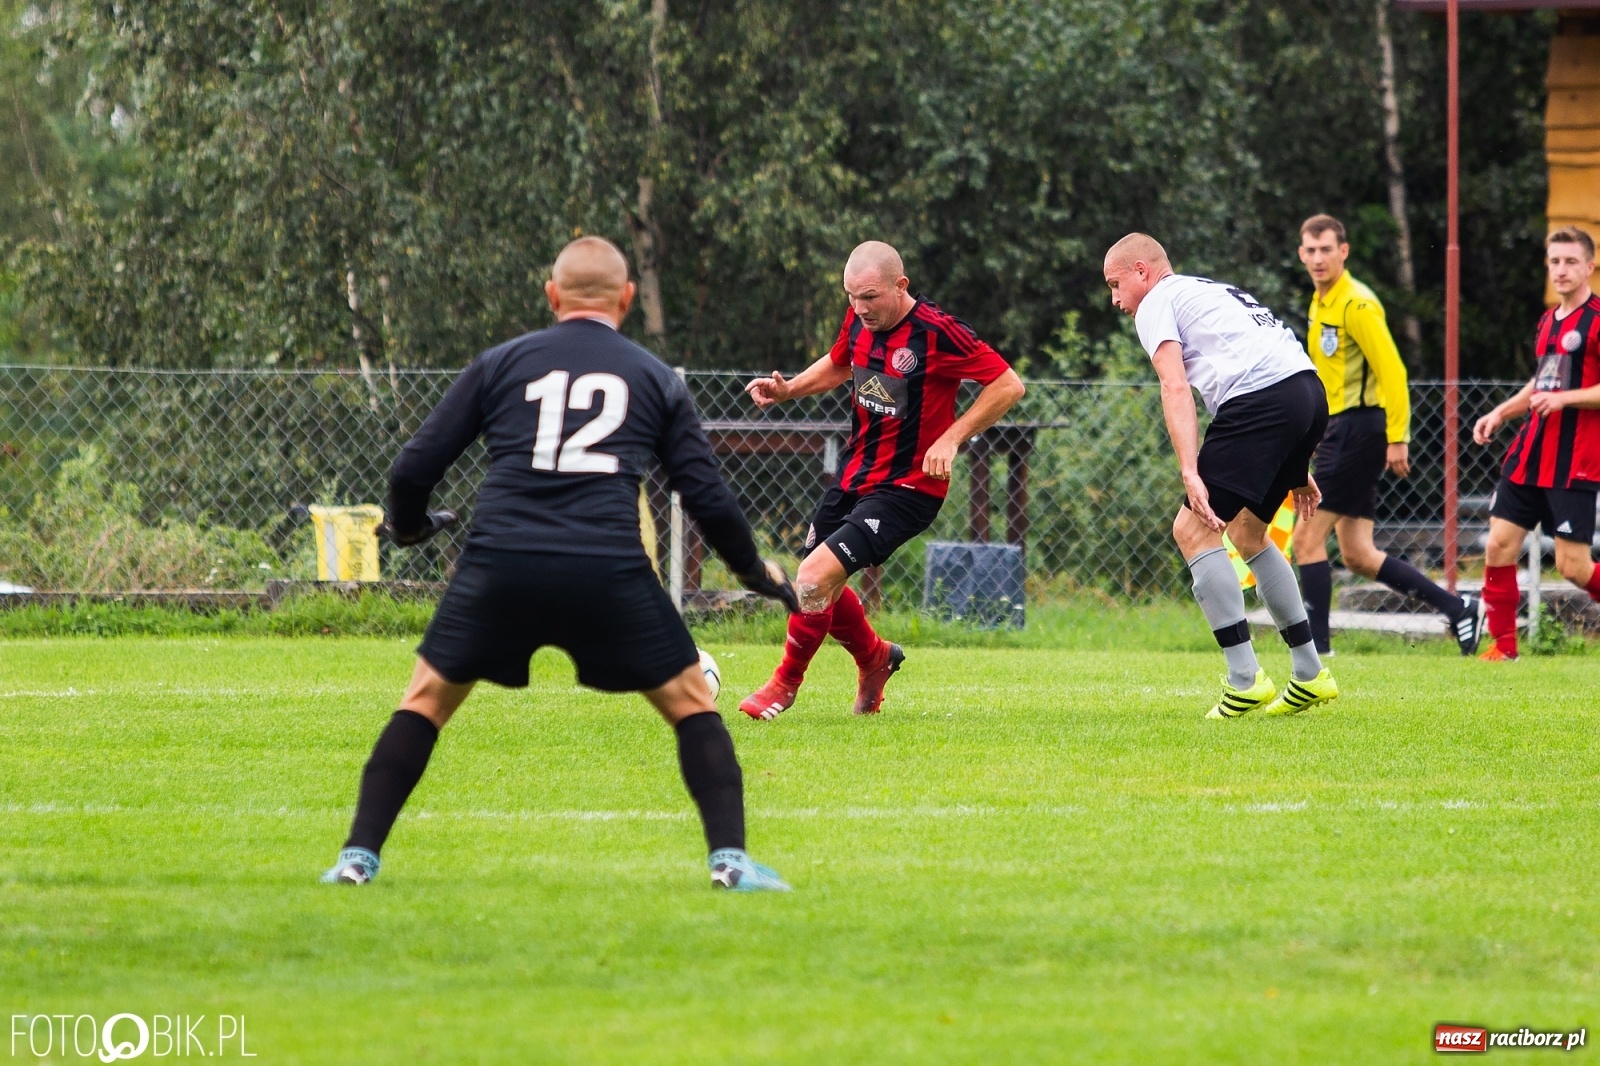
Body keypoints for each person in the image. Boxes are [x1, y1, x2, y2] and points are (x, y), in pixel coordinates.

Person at [320, 236, 800, 891]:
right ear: (627, 299)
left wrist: (408, 529)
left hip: (500, 560)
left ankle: (356, 860)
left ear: (552, 295)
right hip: (606, 566)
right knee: (692, 704)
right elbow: (706, 496)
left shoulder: (501, 363)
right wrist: (755, 574)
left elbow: (413, 467)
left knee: (426, 701)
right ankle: (731, 864)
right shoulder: (654, 377)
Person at [738, 241, 1025, 720]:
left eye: (869, 297)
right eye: (851, 297)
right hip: (855, 475)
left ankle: (782, 687)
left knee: (810, 579)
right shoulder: (859, 321)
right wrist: (789, 389)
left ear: (901, 285)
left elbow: (1008, 384)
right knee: (815, 585)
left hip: (908, 489)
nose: (859, 308)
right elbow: (838, 363)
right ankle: (874, 659)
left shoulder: (937, 332)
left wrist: (951, 438)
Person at [1103, 233, 1338, 718]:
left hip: (1262, 399)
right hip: (1307, 393)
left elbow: (1174, 385)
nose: (1116, 301)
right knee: (1249, 533)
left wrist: (1189, 469)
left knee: (1191, 529)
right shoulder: (1204, 289)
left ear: (1142, 271)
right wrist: (1297, 456)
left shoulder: (1157, 302)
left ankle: (1244, 680)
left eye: (1116, 285)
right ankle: (1311, 673)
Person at [1293, 214, 1481, 655]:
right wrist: (1315, 426)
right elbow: (1328, 374)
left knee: (1306, 538)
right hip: (1339, 428)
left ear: (1344, 251)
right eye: (1311, 250)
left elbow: (1392, 372)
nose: (1318, 259)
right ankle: (1458, 609)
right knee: (1357, 553)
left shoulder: (1357, 303)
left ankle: (1318, 650)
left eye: (1326, 250)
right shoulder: (1320, 302)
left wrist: (1399, 437)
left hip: (1361, 429)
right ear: (1301, 254)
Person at [1472, 226, 1600, 661]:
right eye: (1554, 261)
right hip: (1531, 454)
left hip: (1576, 460)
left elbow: (1561, 392)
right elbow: (1542, 384)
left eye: (1569, 261)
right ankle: (1504, 647)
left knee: (1572, 567)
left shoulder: (1598, 320)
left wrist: (1564, 399)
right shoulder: (1548, 321)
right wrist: (1500, 412)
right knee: (1498, 544)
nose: (1560, 270)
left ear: (1589, 266)